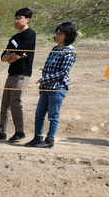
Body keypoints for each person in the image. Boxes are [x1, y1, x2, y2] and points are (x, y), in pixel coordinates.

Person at [26, 21, 78, 149]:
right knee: (39, 114)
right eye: (57, 33)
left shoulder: (70, 51)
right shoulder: (55, 49)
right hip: (46, 87)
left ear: (68, 35)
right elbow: (47, 68)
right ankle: (38, 137)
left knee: (53, 115)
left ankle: (50, 140)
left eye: (60, 34)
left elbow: (64, 72)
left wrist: (44, 80)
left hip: (58, 87)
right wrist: (42, 85)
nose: (57, 36)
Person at [0, 7, 36, 143]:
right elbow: (3, 57)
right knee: (5, 104)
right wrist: (13, 56)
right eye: (15, 18)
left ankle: (20, 132)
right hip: (11, 73)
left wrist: (14, 56)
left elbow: (18, 55)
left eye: (19, 18)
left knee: (15, 102)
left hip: (22, 73)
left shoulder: (30, 34)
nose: (16, 21)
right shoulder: (14, 38)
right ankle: (1, 131)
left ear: (27, 19)